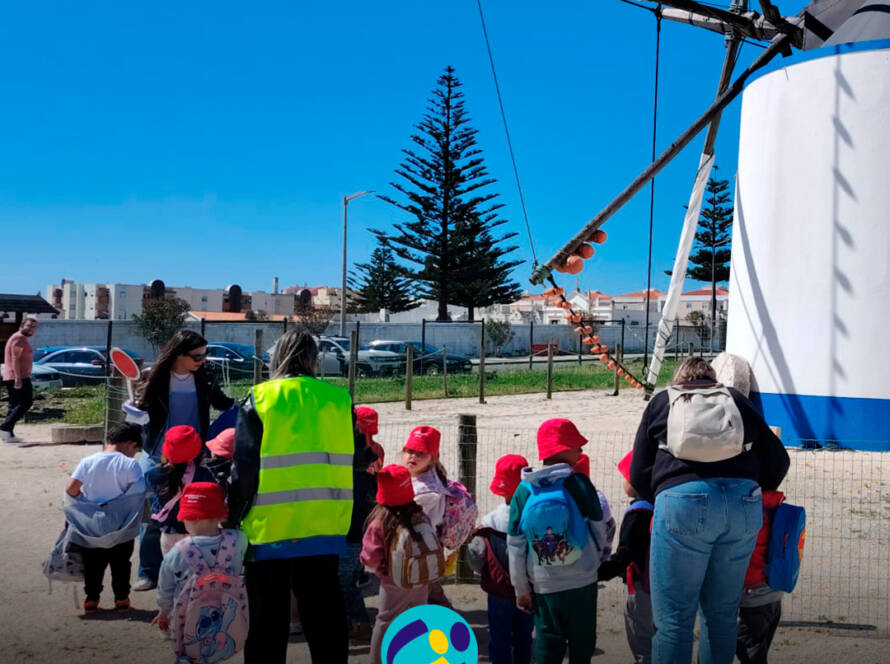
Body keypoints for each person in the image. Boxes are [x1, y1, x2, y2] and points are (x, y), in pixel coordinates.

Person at [630, 356, 790, 664]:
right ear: (713, 380)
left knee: (674, 620)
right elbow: (779, 461)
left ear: (678, 381)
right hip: (743, 505)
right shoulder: (736, 401)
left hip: (681, 503)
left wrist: (664, 493)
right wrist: (751, 485)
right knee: (722, 615)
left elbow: (638, 473)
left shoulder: (663, 402)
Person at [230, 328, 352, 664]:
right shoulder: (338, 399)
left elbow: (244, 469)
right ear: (313, 358)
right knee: (324, 613)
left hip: (269, 528)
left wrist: (232, 519)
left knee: (267, 620)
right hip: (325, 524)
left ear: (277, 356)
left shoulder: (260, 398)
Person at [133, 329, 233, 591]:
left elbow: (224, 403)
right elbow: (140, 410)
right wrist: (134, 411)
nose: (203, 360)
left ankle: (189, 570)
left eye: (205, 354)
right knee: (156, 515)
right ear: (178, 354)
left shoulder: (205, 378)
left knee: (193, 512)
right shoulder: (153, 377)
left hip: (194, 455)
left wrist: (245, 405)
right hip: (158, 455)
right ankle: (148, 571)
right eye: (197, 356)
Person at [507, 418, 609, 664]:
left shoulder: (524, 490)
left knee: (547, 642)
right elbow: (599, 529)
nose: (581, 450)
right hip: (583, 580)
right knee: (582, 642)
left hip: (544, 584)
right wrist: (598, 561)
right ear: (561, 449)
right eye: (576, 446)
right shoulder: (580, 484)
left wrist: (521, 589)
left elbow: (516, 546)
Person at [361, 464, 442, 664]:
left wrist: (376, 566)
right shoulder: (420, 515)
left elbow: (370, 556)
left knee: (386, 621)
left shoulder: (380, 522)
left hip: (393, 581)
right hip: (421, 578)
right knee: (417, 618)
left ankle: (377, 660)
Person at [64, 423, 145, 614]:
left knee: (93, 563)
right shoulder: (130, 464)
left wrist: (83, 503)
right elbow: (139, 491)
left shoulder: (87, 461)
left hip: (92, 524)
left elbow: (71, 489)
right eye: (135, 449)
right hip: (121, 524)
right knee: (121, 563)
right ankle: (122, 599)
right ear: (130, 445)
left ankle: (91, 600)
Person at [153, 482, 248, 635]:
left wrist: (164, 611)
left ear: (185, 518)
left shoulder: (177, 552)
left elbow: (165, 587)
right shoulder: (238, 539)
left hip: (189, 614)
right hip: (229, 610)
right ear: (221, 514)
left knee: (190, 645)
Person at [467, 454, 535, 664]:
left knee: (499, 636)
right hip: (528, 589)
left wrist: (483, 571)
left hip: (498, 589)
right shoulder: (532, 516)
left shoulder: (490, 521)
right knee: (524, 636)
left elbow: (475, 557)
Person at [598, 450, 655, 664]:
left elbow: (625, 555)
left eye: (625, 477)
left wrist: (598, 573)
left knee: (642, 638)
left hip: (640, 586)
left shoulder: (639, 512)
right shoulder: (663, 503)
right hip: (667, 585)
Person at [340, 405, 382, 643]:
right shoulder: (374, 457)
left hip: (352, 533)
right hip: (361, 530)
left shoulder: (354, 469)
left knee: (345, 583)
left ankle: (361, 622)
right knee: (350, 579)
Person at [402, 424, 453, 607]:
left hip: (422, 546)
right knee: (431, 589)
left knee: (424, 590)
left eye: (421, 453)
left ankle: (447, 625)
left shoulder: (425, 491)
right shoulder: (430, 476)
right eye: (410, 451)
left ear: (432, 458)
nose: (413, 456)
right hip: (427, 544)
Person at [147, 425, 216, 555]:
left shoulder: (153, 474)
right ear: (196, 451)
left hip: (169, 534)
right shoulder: (204, 474)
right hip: (195, 533)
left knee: (172, 572)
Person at [736, 489, 787, 664]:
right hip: (772, 592)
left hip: (753, 597)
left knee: (749, 650)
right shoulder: (775, 507)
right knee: (757, 653)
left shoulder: (746, 511)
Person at [1, 316, 38, 443]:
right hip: (18, 376)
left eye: (34, 327)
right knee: (26, 402)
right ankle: (5, 427)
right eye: (29, 326)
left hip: (17, 376)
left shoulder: (20, 338)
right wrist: (18, 378)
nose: (31, 329)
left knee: (14, 405)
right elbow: (15, 358)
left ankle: (8, 434)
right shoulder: (19, 338)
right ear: (22, 326)